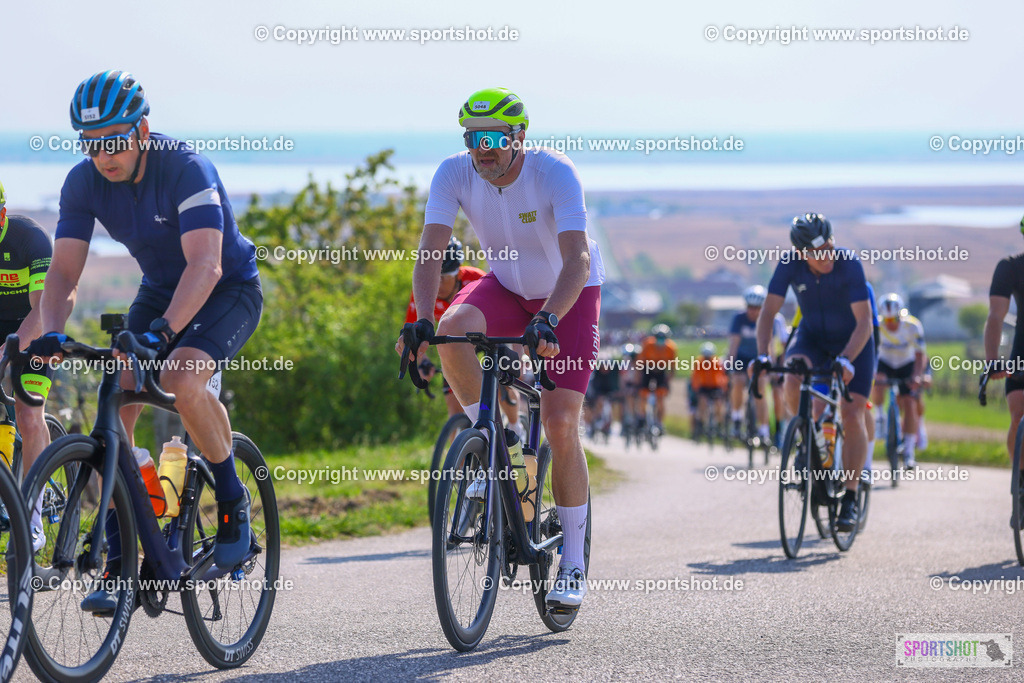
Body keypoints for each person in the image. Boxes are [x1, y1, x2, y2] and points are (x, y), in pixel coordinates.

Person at [34, 71, 262, 612]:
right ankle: (123, 561)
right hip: (161, 290)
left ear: (141, 129)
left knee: (180, 379)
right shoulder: (82, 182)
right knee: (117, 404)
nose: (102, 156)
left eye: (113, 141)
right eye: (90, 144)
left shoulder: (186, 168)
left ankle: (232, 499)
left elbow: (206, 265)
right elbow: (64, 274)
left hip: (226, 288)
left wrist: (161, 334)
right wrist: (48, 331)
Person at [396, 87, 603, 609]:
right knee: (451, 329)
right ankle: (498, 438)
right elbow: (431, 251)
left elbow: (576, 259)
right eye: (471, 138)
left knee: (559, 424)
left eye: (490, 138)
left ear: (518, 137)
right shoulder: (454, 172)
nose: (480, 149)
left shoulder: (554, 172)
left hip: (568, 293)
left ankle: (573, 562)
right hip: (508, 286)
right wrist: (421, 320)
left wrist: (549, 318)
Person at [755, 213, 874, 532]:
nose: (827, 257)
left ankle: (849, 495)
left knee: (852, 413)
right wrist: (764, 355)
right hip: (813, 337)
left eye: (830, 247)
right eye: (818, 253)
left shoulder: (849, 263)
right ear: (801, 253)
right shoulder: (789, 265)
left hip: (854, 342)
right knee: (791, 377)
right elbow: (768, 313)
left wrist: (848, 359)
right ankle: (806, 436)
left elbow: (864, 321)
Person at [0, 181, 55, 551]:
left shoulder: (30, 240)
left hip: (36, 324)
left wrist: (9, 349)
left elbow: (42, 308)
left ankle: (33, 516)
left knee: (28, 411)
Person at [404, 236, 488, 417]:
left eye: (444, 277)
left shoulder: (477, 279)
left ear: (458, 273)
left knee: (501, 393)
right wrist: (423, 362)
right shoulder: (423, 294)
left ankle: (514, 425)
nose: (438, 284)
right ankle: (458, 443)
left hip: (488, 338)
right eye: (434, 277)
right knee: (454, 408)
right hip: (455, 346)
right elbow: (413, 334)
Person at [984, 222, 1024, 527]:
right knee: (1018, 411)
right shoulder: (1010, 268)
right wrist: (993, 360)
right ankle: (1021, 481)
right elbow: (996, 316)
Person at [872, 293, 926, 469]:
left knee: (910, 403)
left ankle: (909, 451)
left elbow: (920, 354)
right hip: (885, 362)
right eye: (887, 320)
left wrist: (917, 375)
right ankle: (880, 417)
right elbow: (871, 353)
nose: (891, 324)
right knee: (878, 380)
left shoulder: (912, 326)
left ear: (901, 315)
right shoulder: (877, 326)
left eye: (894, 319)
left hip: (906, 363)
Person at [726, 285, 782, 443]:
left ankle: (763, 431)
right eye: (750, 307)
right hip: (742, 358)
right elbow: (733, 345)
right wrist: (730, 364)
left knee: (761, 391)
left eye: (757, 308)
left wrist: (772, 367)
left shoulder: (768, 320)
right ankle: (737, 418)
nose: (754, 311)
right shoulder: (739, 318)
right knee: (738, 381)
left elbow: (771, 346)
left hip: (760, 358)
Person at [635, 324, 678, 429]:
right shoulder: (647, 344)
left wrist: (668, 381)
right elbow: (639, 363)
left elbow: (672, 368)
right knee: (643, 394)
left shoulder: (671, 348)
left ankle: (659, 422)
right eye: (658, 337)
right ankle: (642, 416)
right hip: (647, 369)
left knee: (661, 397)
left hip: (661, 371)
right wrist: (638, 378)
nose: (660, 339)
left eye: (663, 337)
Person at [690, 342, 729, 435]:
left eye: (709, 356)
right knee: (702, 403)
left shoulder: (717, 362)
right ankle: (701, 424)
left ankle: (719, 425)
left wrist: (723, 387)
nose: (707, 359)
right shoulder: (699, 362)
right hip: (703, 386)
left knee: (719, 404)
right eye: (705, 356)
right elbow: (695, 376)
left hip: (715, 386)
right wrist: (696, 388)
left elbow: (722, 376)